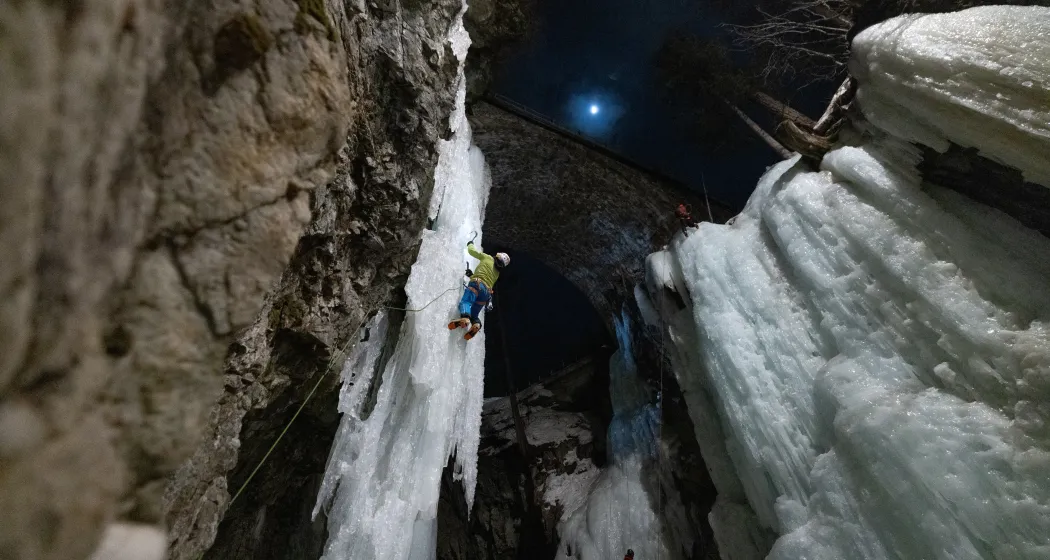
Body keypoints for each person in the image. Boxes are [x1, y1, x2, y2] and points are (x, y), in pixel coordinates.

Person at [448, 241, 510, 340]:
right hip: (485, 294)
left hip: (476, 284)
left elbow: (472, 251)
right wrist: (471, 275)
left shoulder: (488, 257)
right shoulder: (497, 274)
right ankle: (476, 324)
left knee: (466, 302)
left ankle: (465, 318)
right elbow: (486, 280)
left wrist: (470, 244)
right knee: (474, 314)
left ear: (497, 256)